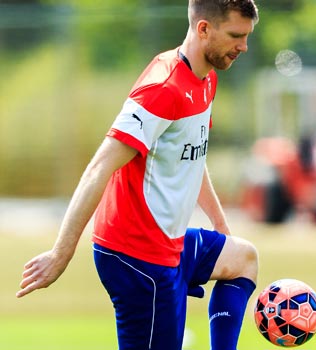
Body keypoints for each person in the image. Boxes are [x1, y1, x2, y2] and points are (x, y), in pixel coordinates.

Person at [17, 1, 259, 349]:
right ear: (204, 29)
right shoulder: (163, 88)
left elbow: (192, 156)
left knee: (242, 258)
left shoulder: (206, 80)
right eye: (236, 35)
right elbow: (100, 166)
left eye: (247, 36)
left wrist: (222, 229)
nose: (244, 47)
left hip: (169, 244)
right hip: (137, 257)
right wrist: (61, 253)